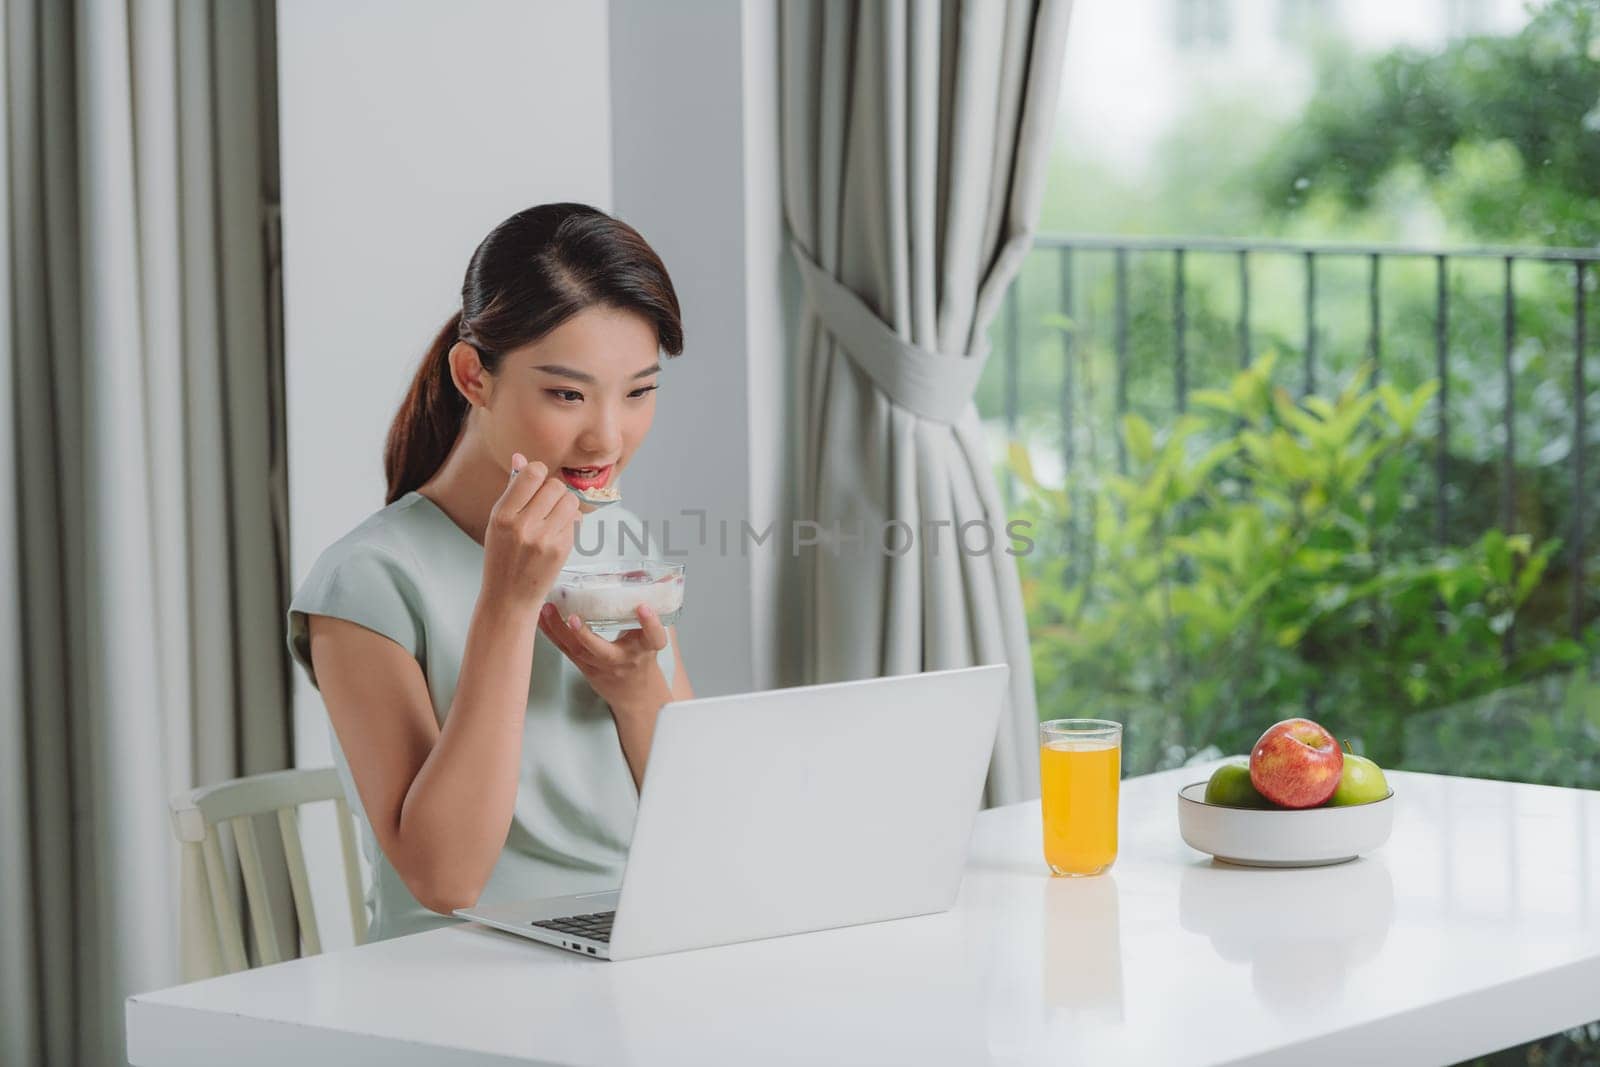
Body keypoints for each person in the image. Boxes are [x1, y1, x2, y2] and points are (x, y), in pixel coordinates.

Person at [287, 203, 693, 941]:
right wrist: (506, 605)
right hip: (462, 969)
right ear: (475, 376)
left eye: (638, 391)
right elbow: (447, 881)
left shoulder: (618, 538)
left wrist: (638, 693)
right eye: (567, 393)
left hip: (634, 940)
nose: (608, 435)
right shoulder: (366, 582)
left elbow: (699, 829)